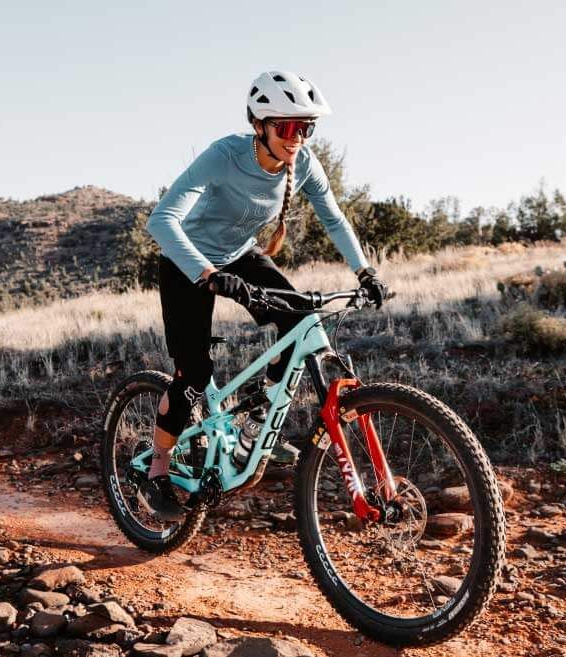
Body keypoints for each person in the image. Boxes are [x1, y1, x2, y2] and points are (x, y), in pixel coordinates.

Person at [141, 70, 389, 521]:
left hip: (239, 255)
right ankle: (157, 469)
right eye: (287, 127)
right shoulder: (225, 156)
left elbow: (333, 219)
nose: (297, 138)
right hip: (187, 262)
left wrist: (365, 271)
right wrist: (207, 274)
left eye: (306, 128)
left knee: (301, 322)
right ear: (259, 125)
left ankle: (254, 427)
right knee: (193, 375)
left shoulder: (304, 163)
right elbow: (161, 221)